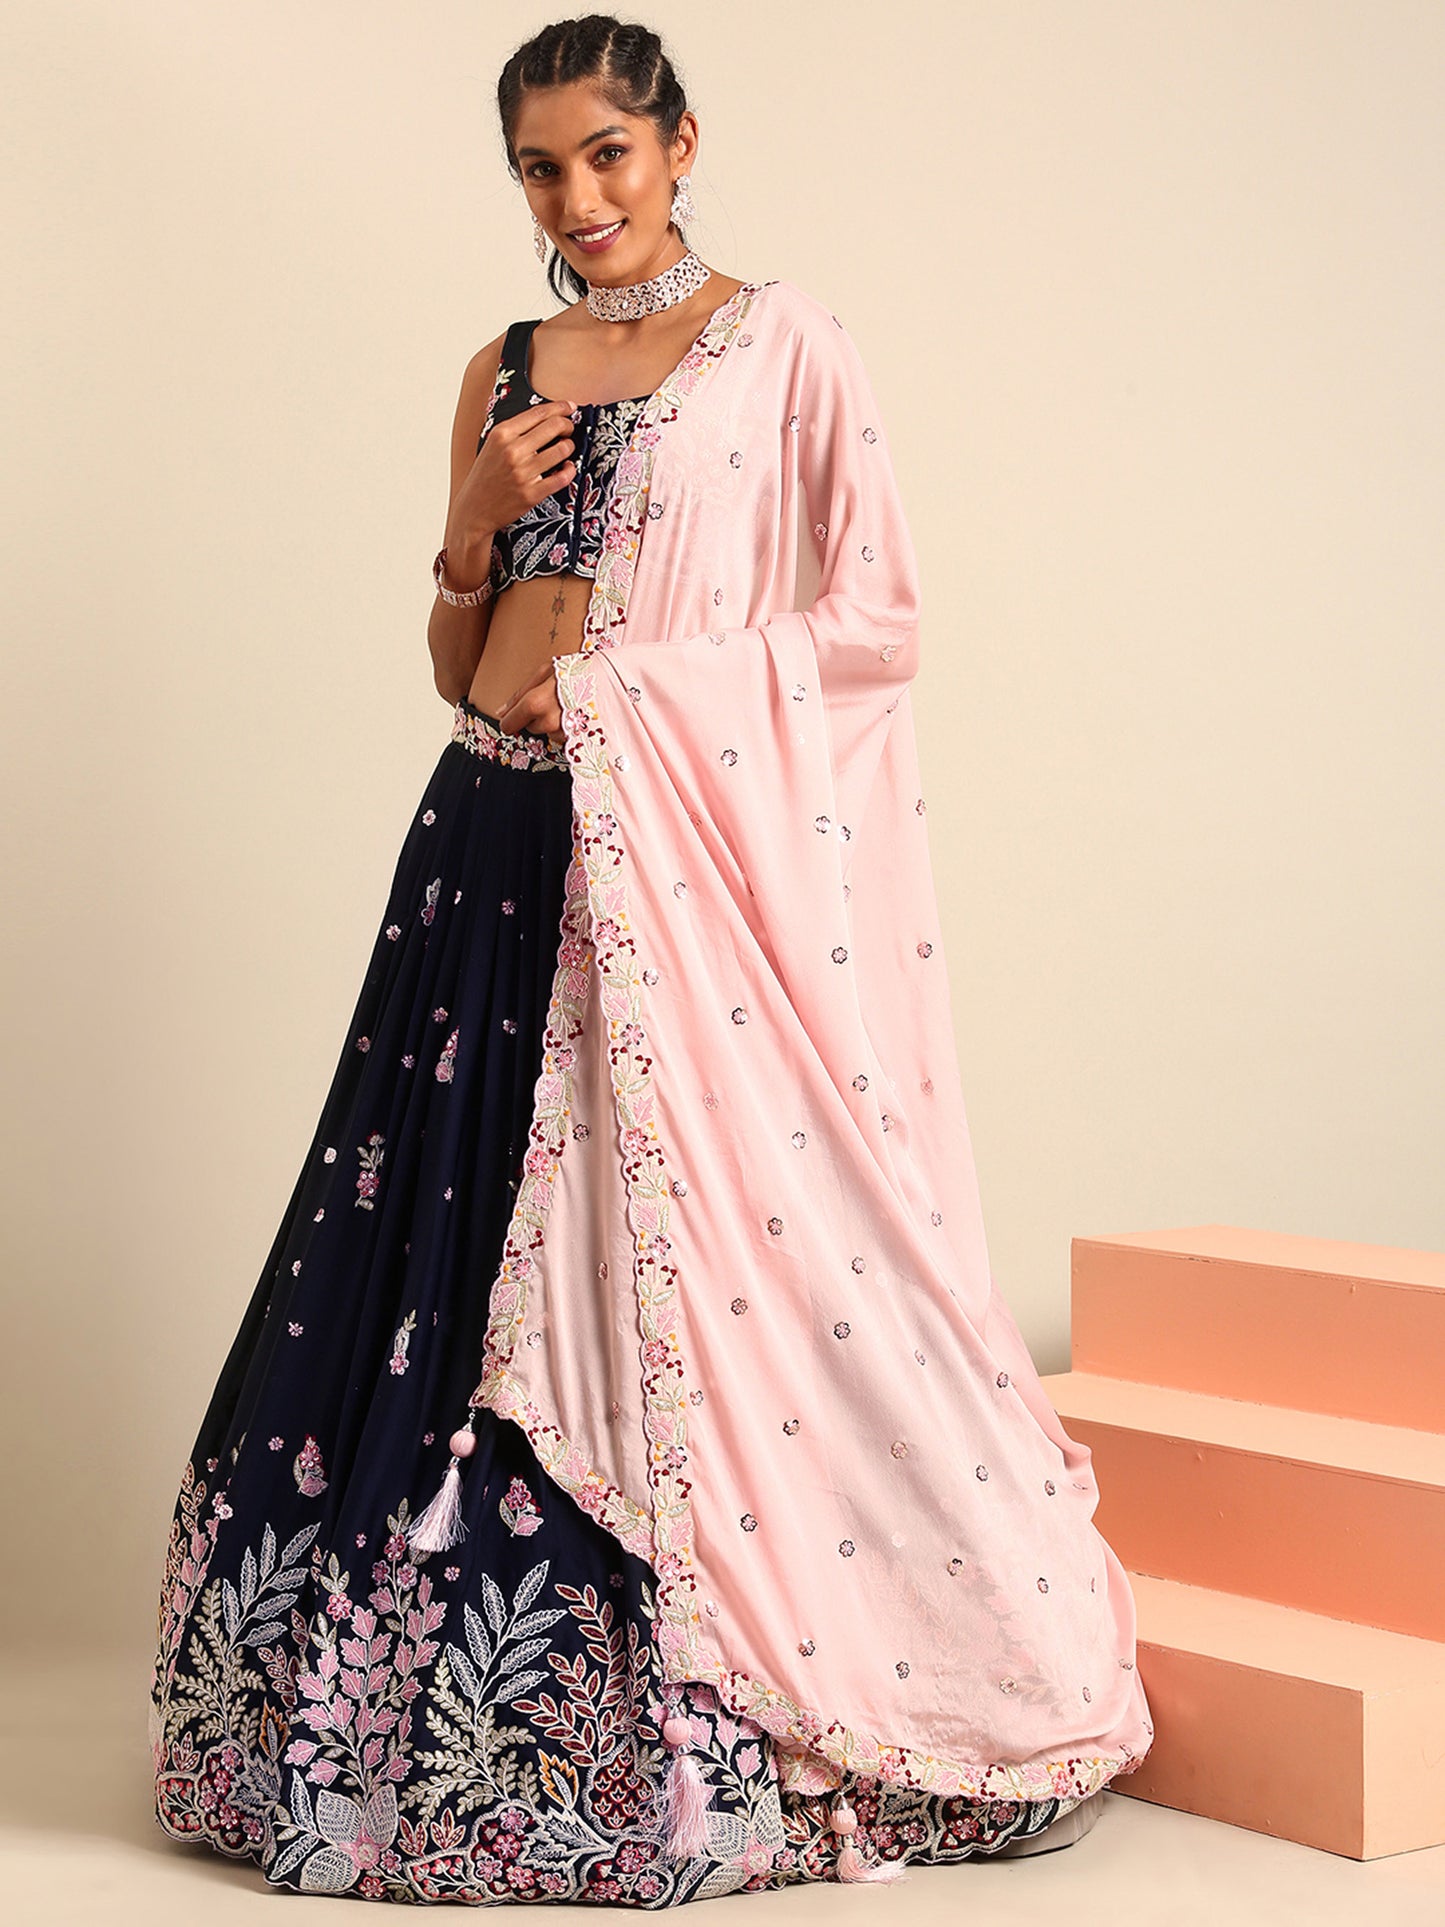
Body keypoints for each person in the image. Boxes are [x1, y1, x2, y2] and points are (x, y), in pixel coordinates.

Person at [149, 12, 1150, 1905]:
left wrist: (639, 700)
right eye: (539, 168)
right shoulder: (501, 366)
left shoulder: (783, 347)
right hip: (488, 839)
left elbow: (874, 623)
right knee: (435, 1254)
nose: (576, 197)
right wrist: (466, 531)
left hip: (662, 866)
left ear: (680, 141)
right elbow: (465, 666)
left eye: (606, 153)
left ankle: (754, 1678)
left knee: (668, 1254)